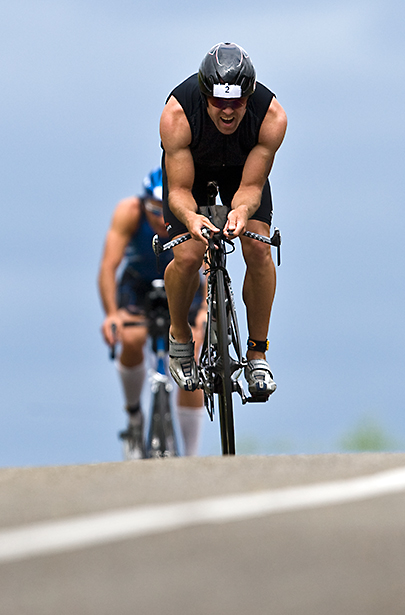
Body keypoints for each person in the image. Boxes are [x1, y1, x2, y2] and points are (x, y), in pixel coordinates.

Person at [159, 42, 287, 399]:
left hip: (241, 170)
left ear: (249, 96)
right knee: (186, 255)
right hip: (191, 173)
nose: (229, 112)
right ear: (205, 95)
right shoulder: (178, 115)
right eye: (219, 103)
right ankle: (181, 337)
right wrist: (191, 219)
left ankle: (257, 354)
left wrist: (241, 212)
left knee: (259, 248)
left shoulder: (272, 117)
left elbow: (250, 186)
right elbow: (179, 191)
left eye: (237, 103)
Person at [99, 168, 206, 458]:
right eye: (154, 210)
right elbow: (108, 266)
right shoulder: (129, 212)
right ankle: (134, 417)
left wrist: (205, 313)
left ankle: (192, 453)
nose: (161, 219)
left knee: (192, 358)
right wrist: (112, 314)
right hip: (139, 283)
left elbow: (209, 266)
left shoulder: (192, 214)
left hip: (185, 282)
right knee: (132, 338)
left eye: (167, 211)